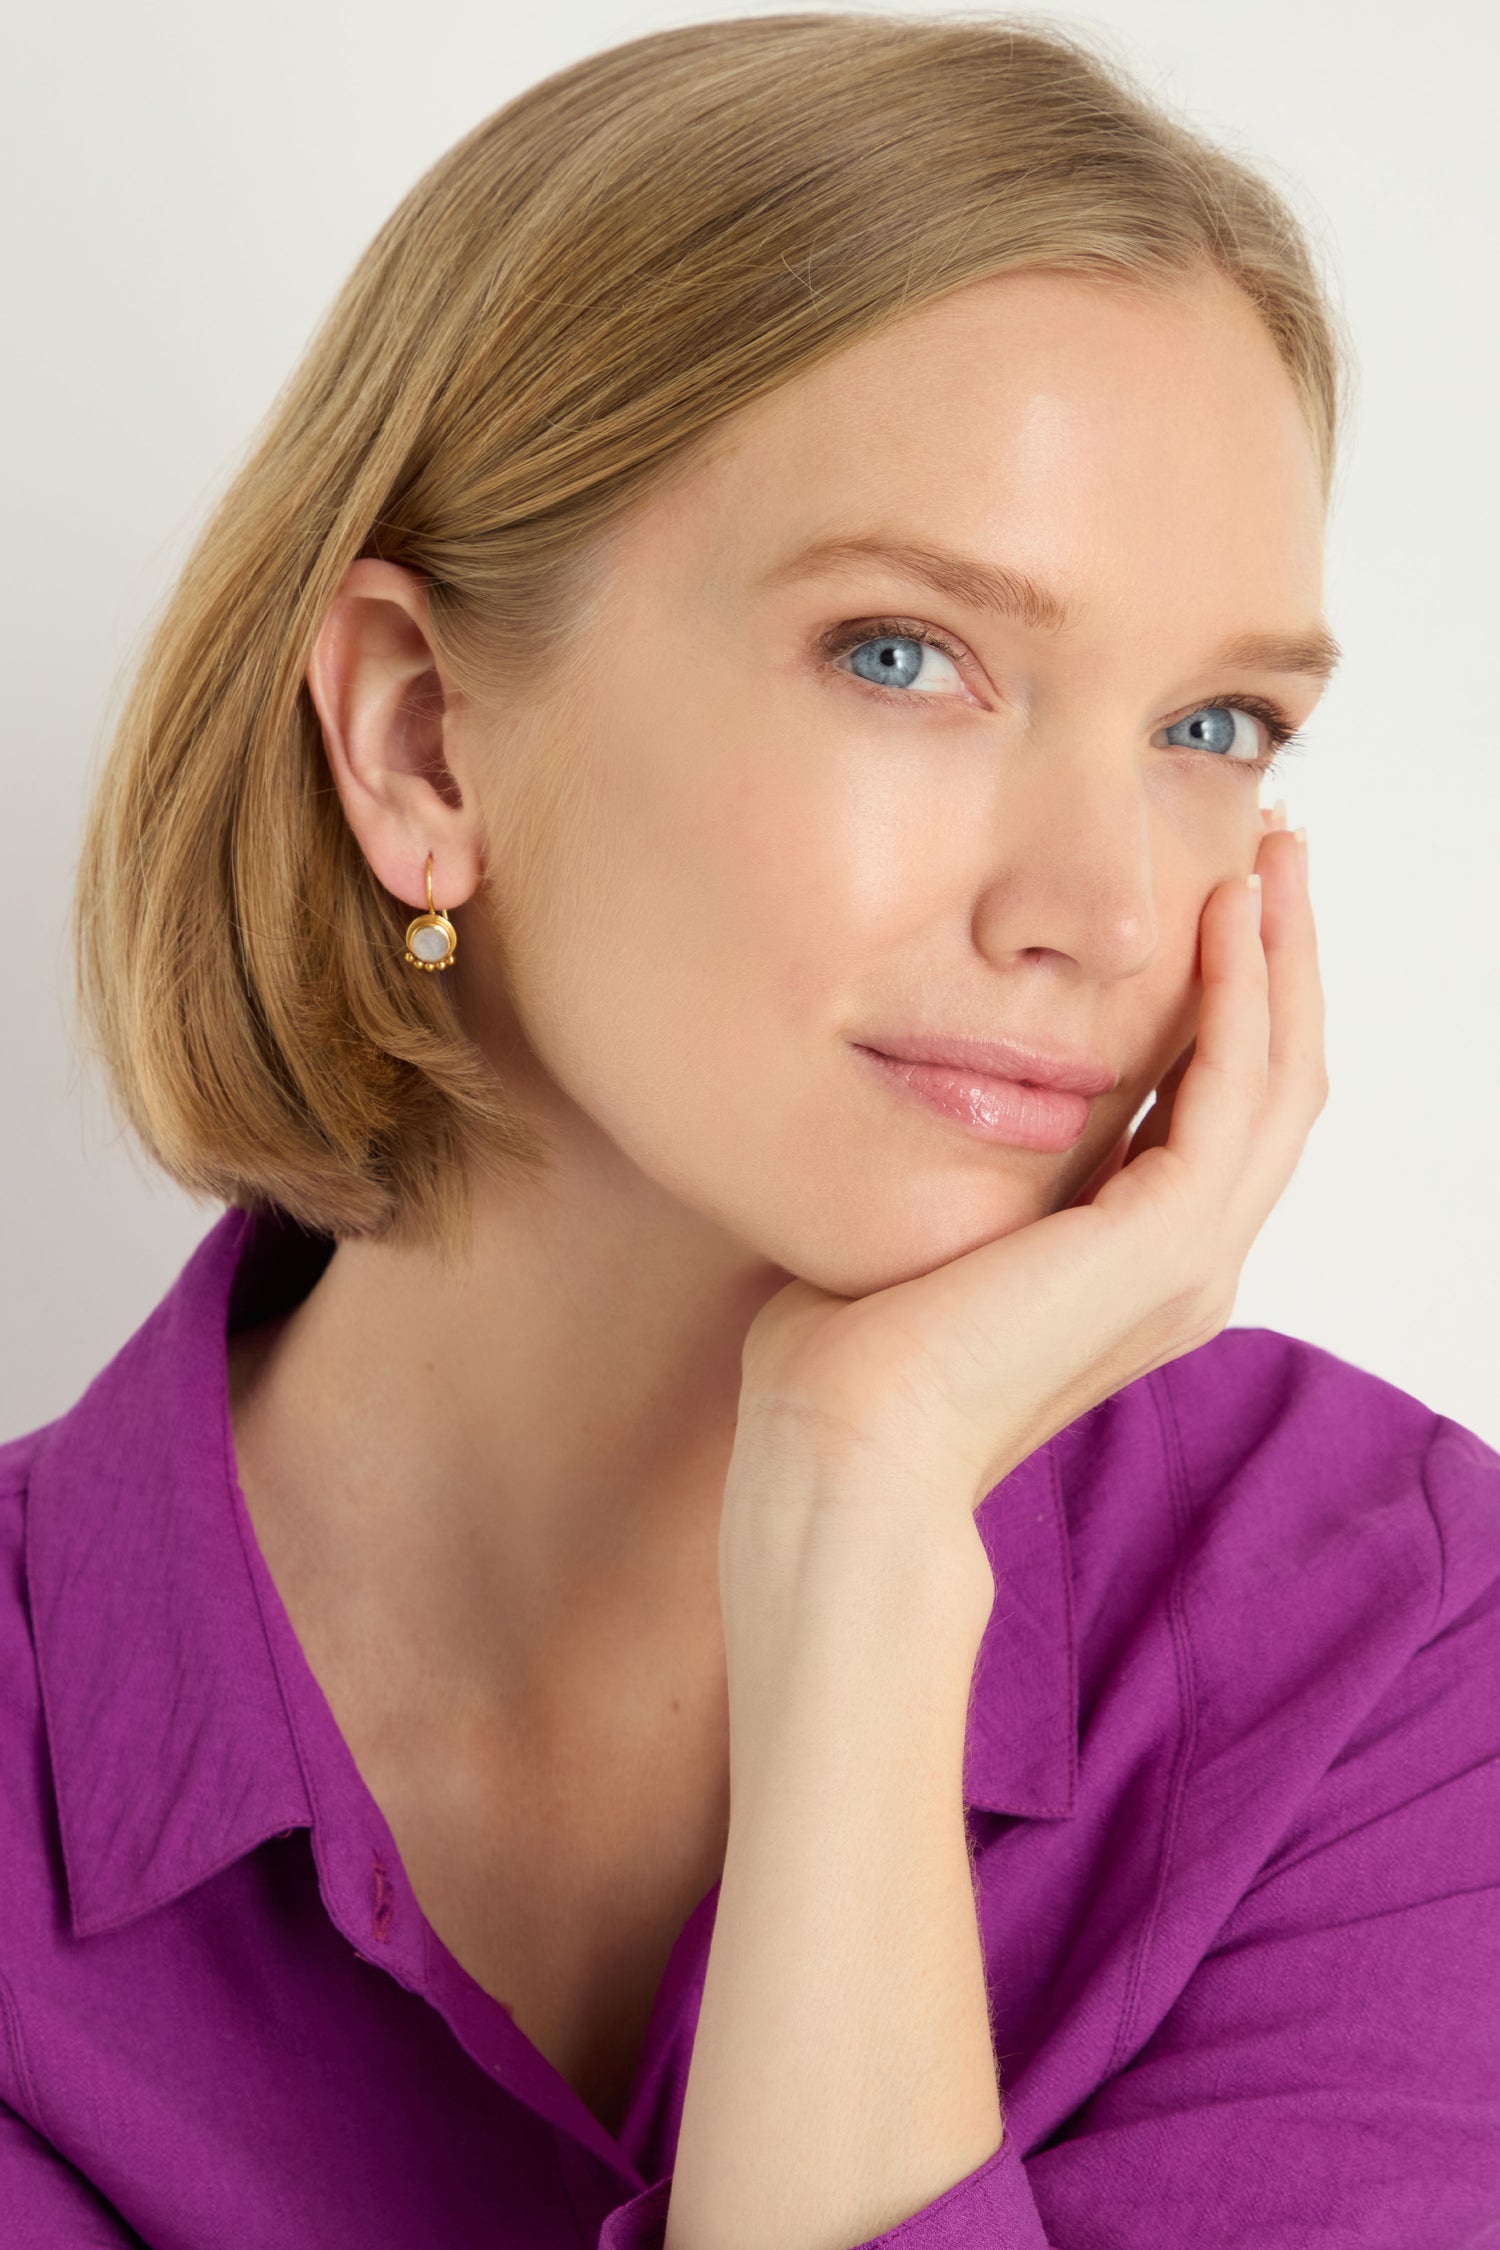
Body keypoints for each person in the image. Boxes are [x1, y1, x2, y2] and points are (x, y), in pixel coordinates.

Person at [4, 10, 1497, 2245]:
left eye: (1213, 723)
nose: (1098, 910)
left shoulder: (1392, 1641)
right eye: (907, 655)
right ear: (422, 741)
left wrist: (871, 1539)